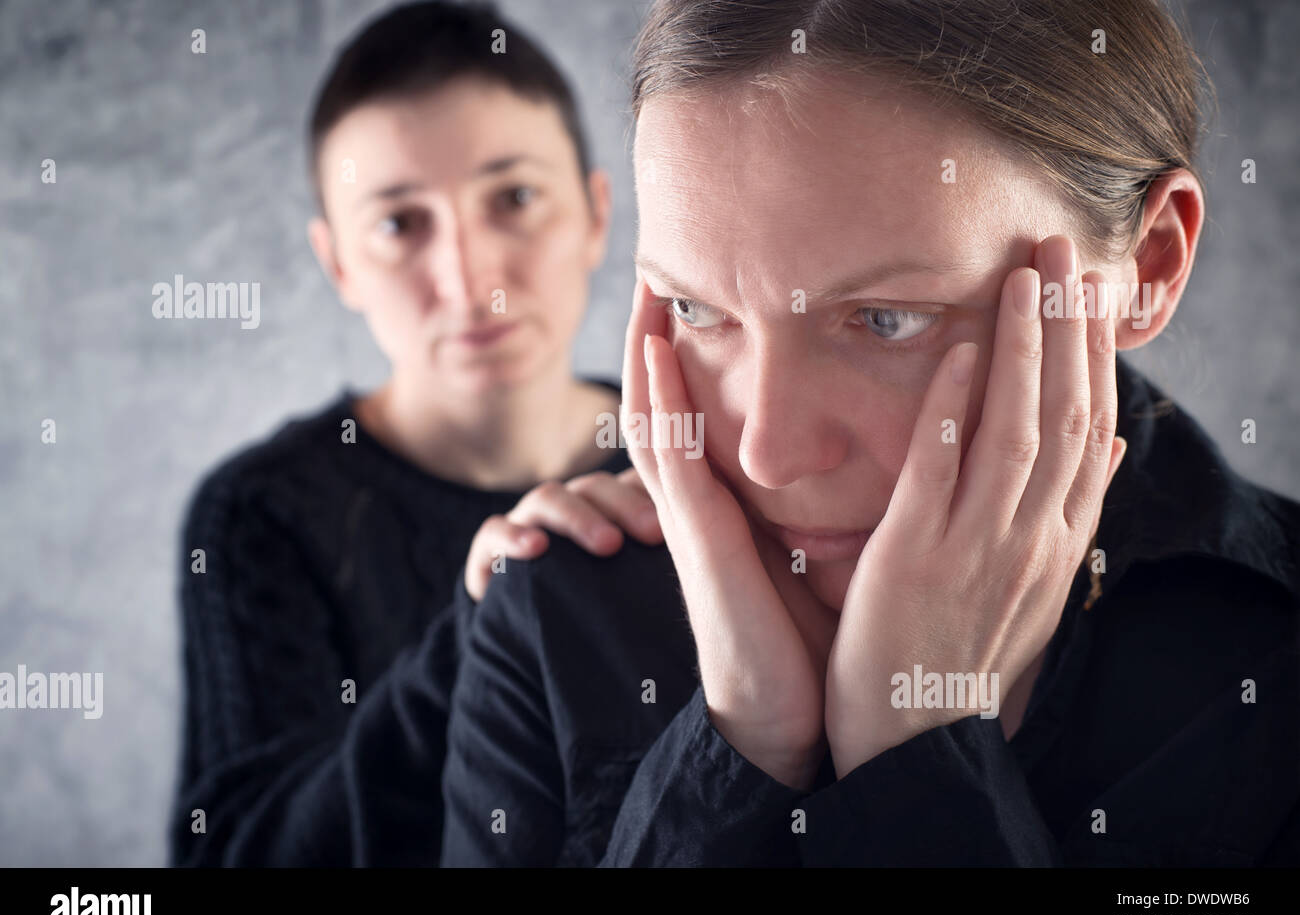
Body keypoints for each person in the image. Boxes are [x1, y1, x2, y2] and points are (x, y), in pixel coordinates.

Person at [440, 0, 1300, 866]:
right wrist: (740, 739)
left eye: (888, 319)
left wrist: (920, 745)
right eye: (695, 309)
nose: (767, 453)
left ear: (1148, 265)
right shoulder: (554, 611)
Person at [169, 1, 660, 867]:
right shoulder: (260, 514)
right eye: (400, 223)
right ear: (339, 264)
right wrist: (488, 630)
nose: (468, 281)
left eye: (515, 198)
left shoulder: (697, 454)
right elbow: (237, 853)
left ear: (595, 215)